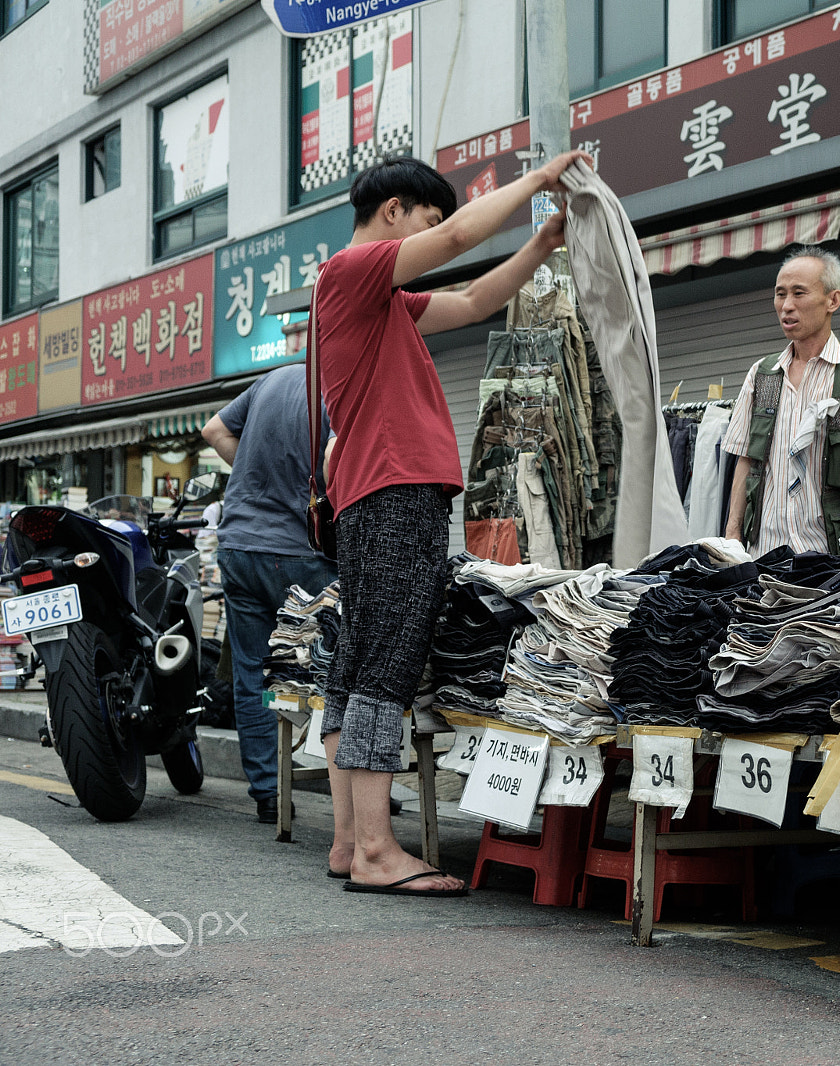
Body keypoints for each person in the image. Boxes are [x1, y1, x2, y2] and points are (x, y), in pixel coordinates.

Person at [316, 150, 588, 897]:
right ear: (395, 212)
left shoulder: (376, 303)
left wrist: (540, 245)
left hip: (376, 494)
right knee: (387, 666)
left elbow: (470, 303)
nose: (434, 237)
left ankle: (348, 842)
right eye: (426, 221)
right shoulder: (354, 271)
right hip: (395, 490)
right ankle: (375, 850)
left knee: (356, 663)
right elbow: (461, 242)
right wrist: (534, 181)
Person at [202, 366, 339, 823]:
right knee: (337, 668)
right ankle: (356, 783)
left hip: (240, 547)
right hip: (301, 553)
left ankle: (267, 792)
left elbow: (214, 429)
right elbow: (331, 465)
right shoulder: (338, 383)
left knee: (254, 674)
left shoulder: (272, 380)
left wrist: (256, 477)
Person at [721, 246, 840, 557]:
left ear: (833, 300)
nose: (786, 306)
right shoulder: (763, 375)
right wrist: (733, 537)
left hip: (828, 551)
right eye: (780, 294)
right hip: (764, 550)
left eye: (799, 293)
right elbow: (745, 457)